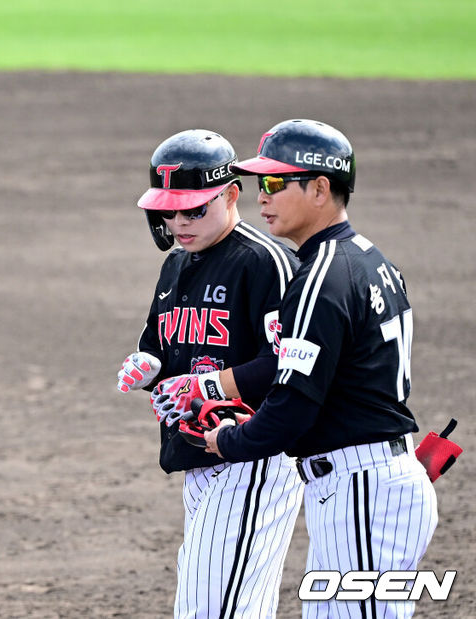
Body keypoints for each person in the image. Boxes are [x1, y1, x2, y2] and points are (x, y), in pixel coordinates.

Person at [202, 119, 438, 618]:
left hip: (363, 492)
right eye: (257, 184)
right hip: (375, 482)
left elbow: (293, 406)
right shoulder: (368, 259)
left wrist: (230, 441)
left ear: (320, 188)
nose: (259, 197)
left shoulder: (321, 276)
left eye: (273, 183)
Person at [116, 129, 303, 618]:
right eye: (169, 210)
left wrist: (206, 385)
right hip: (197, 454)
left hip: (251, 455)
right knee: (236, 604)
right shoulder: (176, 265)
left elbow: (287, 364)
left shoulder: (264, 263)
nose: (179, 222)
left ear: (231, 194)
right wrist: (148, 365)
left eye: (194, 210)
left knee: (209, 608)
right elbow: (160, 343)